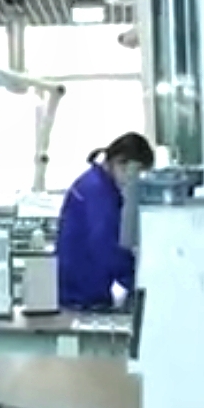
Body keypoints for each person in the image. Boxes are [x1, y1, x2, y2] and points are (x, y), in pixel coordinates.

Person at [56, 132, 156, 311]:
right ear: (120, 162)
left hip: (75, 287)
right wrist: (137, 279)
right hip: (82, 294)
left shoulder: (94, 182)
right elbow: (105, 246)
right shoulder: (98, 192)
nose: (134, 181)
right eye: (136, 172)